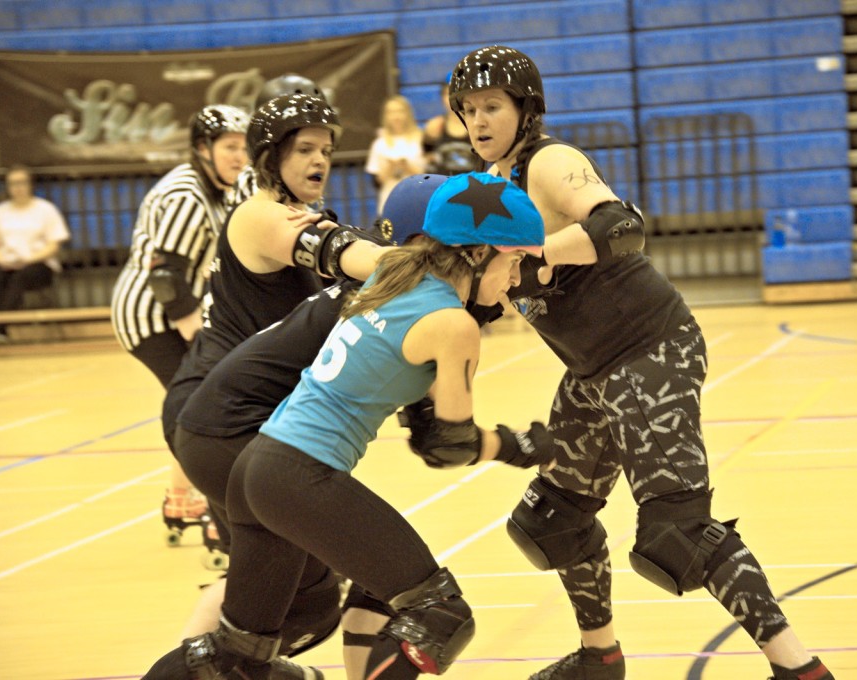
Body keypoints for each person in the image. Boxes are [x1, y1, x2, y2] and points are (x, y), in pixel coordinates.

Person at [446, 45, 836, 680]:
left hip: (651, 351)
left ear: (526, 108)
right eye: (468, 110)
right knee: (554, 520)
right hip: (592, 372)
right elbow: (486, 297)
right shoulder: (485, 193)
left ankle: (801, 670)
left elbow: (620, 226)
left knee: (676, 535)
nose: (479, 121)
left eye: (492, 106)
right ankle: (600, 659)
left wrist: (539, 247)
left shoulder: (549, 164)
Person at [141, 172, 553, 680]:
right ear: (475, 252)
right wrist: (529, 445)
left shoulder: (392, 271)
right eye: (514, 262)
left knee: (238, 655)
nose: (516, 279)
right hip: (298, 475)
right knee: (438, 616)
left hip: (256, 467)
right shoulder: (454, 325)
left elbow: (338, 250)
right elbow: (452, 445)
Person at [171, 174, 450, 678]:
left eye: (325, 149)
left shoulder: (382, 287)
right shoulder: (267, 218)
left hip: (248, 422)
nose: (318, 162)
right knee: (313, 601)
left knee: (346, 587)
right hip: (233, 424)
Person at [109, 104, 249, 543]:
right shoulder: (188, 195)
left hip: (167, 311)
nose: (239, 156)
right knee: (201, 406)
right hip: (151, 316)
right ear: (203, 150)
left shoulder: (210, 188)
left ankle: (181, 498)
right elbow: (165, 275)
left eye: (244, 147)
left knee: (194, 404)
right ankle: (218, 513)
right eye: (229, 147)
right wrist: (197, 338)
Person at [0, 165, 70, 346]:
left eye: (22, 183)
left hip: (39, 264)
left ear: (30, 184)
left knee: (21, 277)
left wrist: (29, 259)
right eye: (13, 183)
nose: (18, 187)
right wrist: (1, 260)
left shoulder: (46, 209)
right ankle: (1, 331)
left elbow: (54, 244)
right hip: (8, 264)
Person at [229, 73, 328, 208]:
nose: (320, 160)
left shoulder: (294, 189)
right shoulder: (253, 181)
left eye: (326, 151)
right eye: (304, 150)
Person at [365, 94, 426, 213]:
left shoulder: (421, 139)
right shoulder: (379, 144)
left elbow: (431, 175)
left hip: (418, 201)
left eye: (400, 111)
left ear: (408, 113)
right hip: (389, 202)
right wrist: (391, 167)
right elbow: (377, 182)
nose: (396, 116)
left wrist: (406, 166)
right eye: (391, 112)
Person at [422, 74, 482, 177]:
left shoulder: (478, 123)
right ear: (442, 98)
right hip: (443, 184)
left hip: (473, 185)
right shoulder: (435, 126)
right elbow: (426, 159)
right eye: (447, 94)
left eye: (455, 92)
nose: (451, 97)